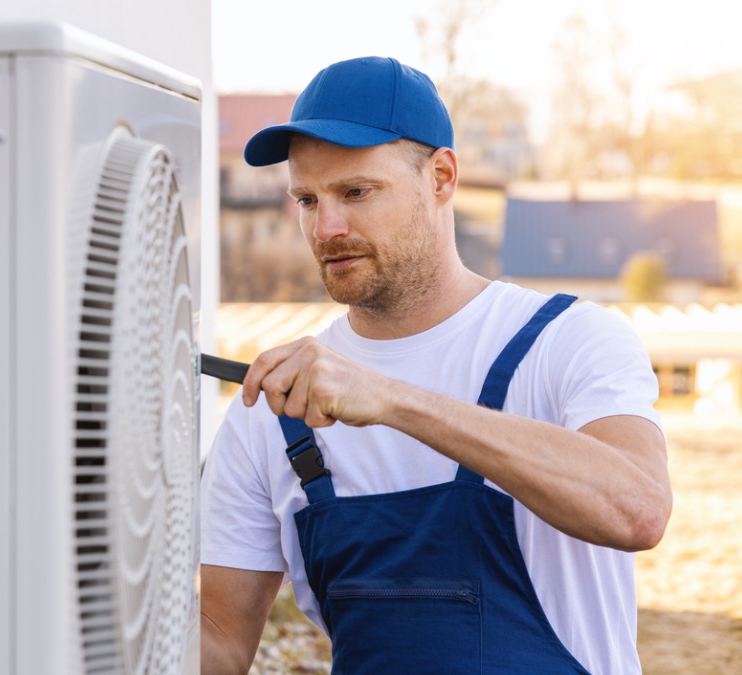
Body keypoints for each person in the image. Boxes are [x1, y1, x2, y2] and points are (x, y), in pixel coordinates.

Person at [199, 56, 672, 675]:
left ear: (442, 178)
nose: (326, 227)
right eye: (307, 199)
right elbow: (219, 642)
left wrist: (394, 400)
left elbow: (637, 508)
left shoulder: (568, 340)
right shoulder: (274, 406)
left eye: (356, 192)